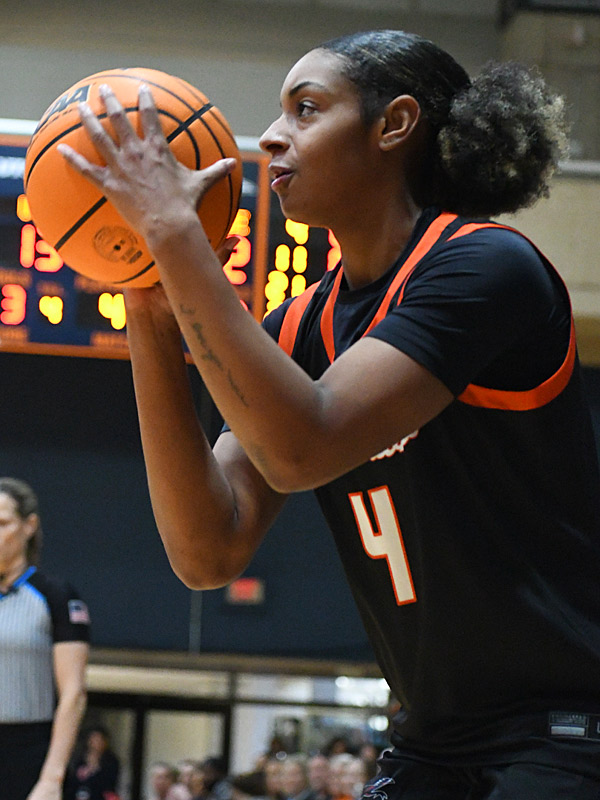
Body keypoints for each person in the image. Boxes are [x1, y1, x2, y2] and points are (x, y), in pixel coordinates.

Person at [59, 25, 600, 799]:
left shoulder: (485, 266)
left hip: (560, 730)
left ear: (394, 125)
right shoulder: (300, 325)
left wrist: (177, 232)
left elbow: (303, 449)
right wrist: (147, 306)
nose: (273, 137)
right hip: (430, 741)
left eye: (305, 109)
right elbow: (206, 550)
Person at [0, 477, 90, 800]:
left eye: (2, 523)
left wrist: (52, 776)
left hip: (30, 753)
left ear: (29, 526)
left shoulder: (55, 596)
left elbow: (73, 692)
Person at [64, 724, 121, 800]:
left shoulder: (111, 761)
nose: (96, 743)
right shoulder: (80, 758)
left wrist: (95, 770)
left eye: (99, 739)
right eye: (93, 739)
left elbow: (110, 783)